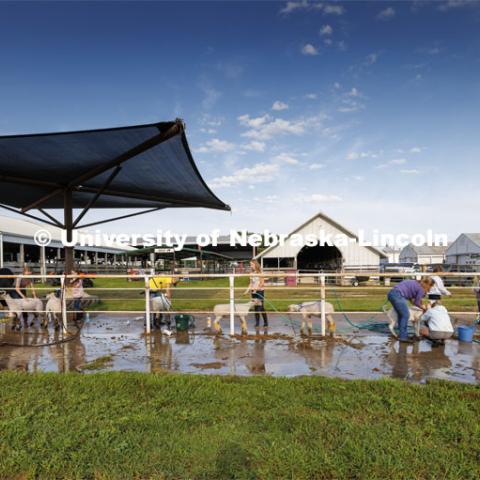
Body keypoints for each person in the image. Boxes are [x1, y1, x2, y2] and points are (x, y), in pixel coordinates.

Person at [387, 277, 433, 342]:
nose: (430, 289)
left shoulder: (415, 283)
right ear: (428, 285)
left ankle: (402, 335)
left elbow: (411, 299)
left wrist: (418, 304)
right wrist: (423, 308)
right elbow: (417, 302)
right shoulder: (421, 289)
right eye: (430, 287)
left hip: (392, 293)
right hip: (398, 295)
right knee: (405, 315)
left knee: (402, 315)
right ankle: (403, 337)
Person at [244, 259, 268, 329]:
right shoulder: (251, 273)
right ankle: (257, 323)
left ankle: (266, 323)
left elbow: (262, 283)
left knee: (261, 308)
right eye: (250, 264)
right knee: (255, 308)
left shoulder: (260, 272)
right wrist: (247, 290)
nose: (250, 266)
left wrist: (256, 289)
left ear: (255, 264)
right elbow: (251, 283)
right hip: (253, 292)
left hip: (260, 291)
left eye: (251, 264)